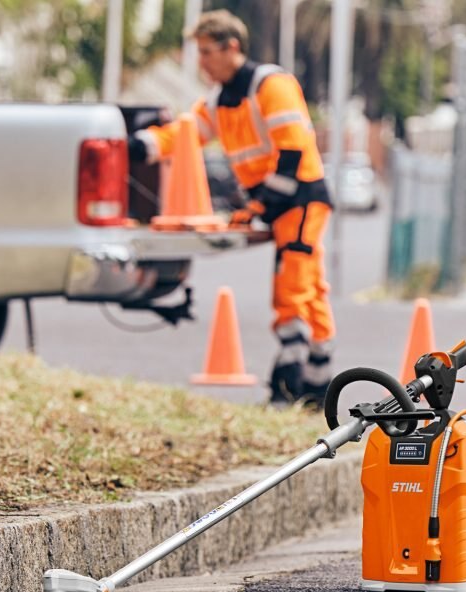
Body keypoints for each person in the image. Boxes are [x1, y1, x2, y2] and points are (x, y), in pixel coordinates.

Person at [128, 10, 335, 406]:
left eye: (207, 52)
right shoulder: (218, 101)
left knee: (293, 286)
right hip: (282, 201)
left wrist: (261, 203)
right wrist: (141, 146)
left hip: (301, 198)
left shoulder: (271, 85)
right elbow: (185, 135)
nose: (201, 63)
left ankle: (290, 381)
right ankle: (316, 380)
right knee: (308, 287)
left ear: (232, 48)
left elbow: (292, 150)